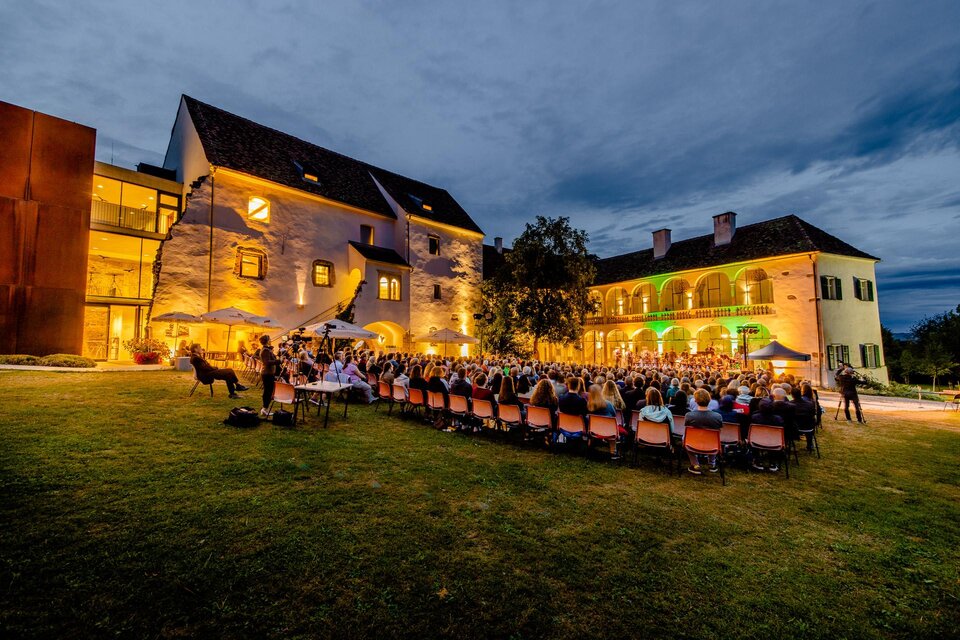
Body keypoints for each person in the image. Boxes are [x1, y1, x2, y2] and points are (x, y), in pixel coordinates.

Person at [683, 388, 722, 475]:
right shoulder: (717, 416)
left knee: (684, 437)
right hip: (711, 442)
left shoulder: (689, 415)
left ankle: (695, 464)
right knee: (715, 436)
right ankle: (711, 463)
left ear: (695, 401)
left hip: (693, 442)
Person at [586, 384, 619, 458]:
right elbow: (614, 415)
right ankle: (613, 451)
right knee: (612, 426)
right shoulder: (608, 404)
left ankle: (589, 447)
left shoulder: (589, 405)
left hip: (593, 429)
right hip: (608, 430)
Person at [257, 335, 277, 417]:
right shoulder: (265, 350)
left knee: (268, 391)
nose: (271, 340)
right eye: (270, 339)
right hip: (267, 373)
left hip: (268, 373)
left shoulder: (266, 349)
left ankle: (265, 408)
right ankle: (265, 409)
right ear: (267, 341)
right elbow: (267, 362)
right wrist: (278, 361)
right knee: (268, 391)